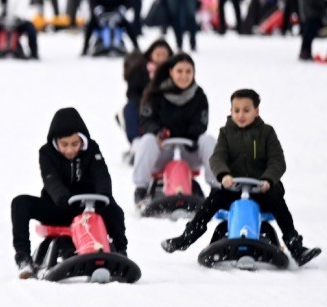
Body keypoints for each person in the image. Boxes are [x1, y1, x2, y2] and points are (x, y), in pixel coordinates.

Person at [161, 89, 319, 266]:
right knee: (211, 201)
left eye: (246, 110)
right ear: (231, 111)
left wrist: (268, 179)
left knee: (278, 203)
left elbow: (277, 160)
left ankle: (295, 246)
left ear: (256, 111)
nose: (241, 115)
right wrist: (224, 175)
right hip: (233, 188)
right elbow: (217, 157)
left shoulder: (266, 133)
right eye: (236, 110)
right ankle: (186, 237)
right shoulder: (226, 133)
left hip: (262, 189)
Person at [10, 108, 128, 278]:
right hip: (59, 208)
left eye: (75, 143)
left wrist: (104, 196)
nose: (70, 149)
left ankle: (121, 252)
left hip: (89, 208)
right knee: (19, 203)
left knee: (115, 210)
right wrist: (63, 199)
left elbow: (101, 174)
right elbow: (51, 180)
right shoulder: (46, 153)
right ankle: (23, 259)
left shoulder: (92, 150)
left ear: (82, 140)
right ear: (56, 141)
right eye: (64, 144)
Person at [132, 53, 219, 205]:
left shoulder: (199, 96)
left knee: (208, 140)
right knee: (147, 140)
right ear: (171, 71)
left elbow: (201, 124)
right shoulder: (156, 94)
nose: (184, 76)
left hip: (188, 150)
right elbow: (146, 120)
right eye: (180, 71)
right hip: (162, 150)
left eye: (188, 72)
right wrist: (158, 132)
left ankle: (217, 190)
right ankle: (140, 189)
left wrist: (190, 135)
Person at [120, 38, 173, 145]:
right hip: (142, 106)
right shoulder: (140, 70)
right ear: (151, 54)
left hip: (166, 107)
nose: (161, 58)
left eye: (164, 55)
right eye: (158, 54)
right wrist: (146, 101)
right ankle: (136, 142)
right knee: (129, 108)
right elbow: (132, 93)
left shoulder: (175, 72)